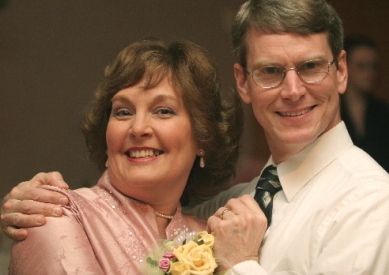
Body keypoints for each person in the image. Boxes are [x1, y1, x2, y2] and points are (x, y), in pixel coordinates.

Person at [2, 0, 389, 274]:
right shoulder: (227, 208)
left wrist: (241, 263)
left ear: (341, 71)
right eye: (271, 71)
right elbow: (158, 214)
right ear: (243, 82)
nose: (293, 90)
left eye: (311, 67)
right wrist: (35, 200)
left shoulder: (370, 204)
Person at [5, 37, 249, 274]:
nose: (138, 128)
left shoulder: (215, 238)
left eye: (163, 111)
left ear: (203, 137)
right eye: (123, 112)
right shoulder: (53, 213)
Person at [341, 35, 389, 183]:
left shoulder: (382, 112)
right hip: (342, 190)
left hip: (380, 188)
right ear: (344, 67)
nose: (369, 73)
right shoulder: (332, 110)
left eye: (373, 66)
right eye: (361, 66)